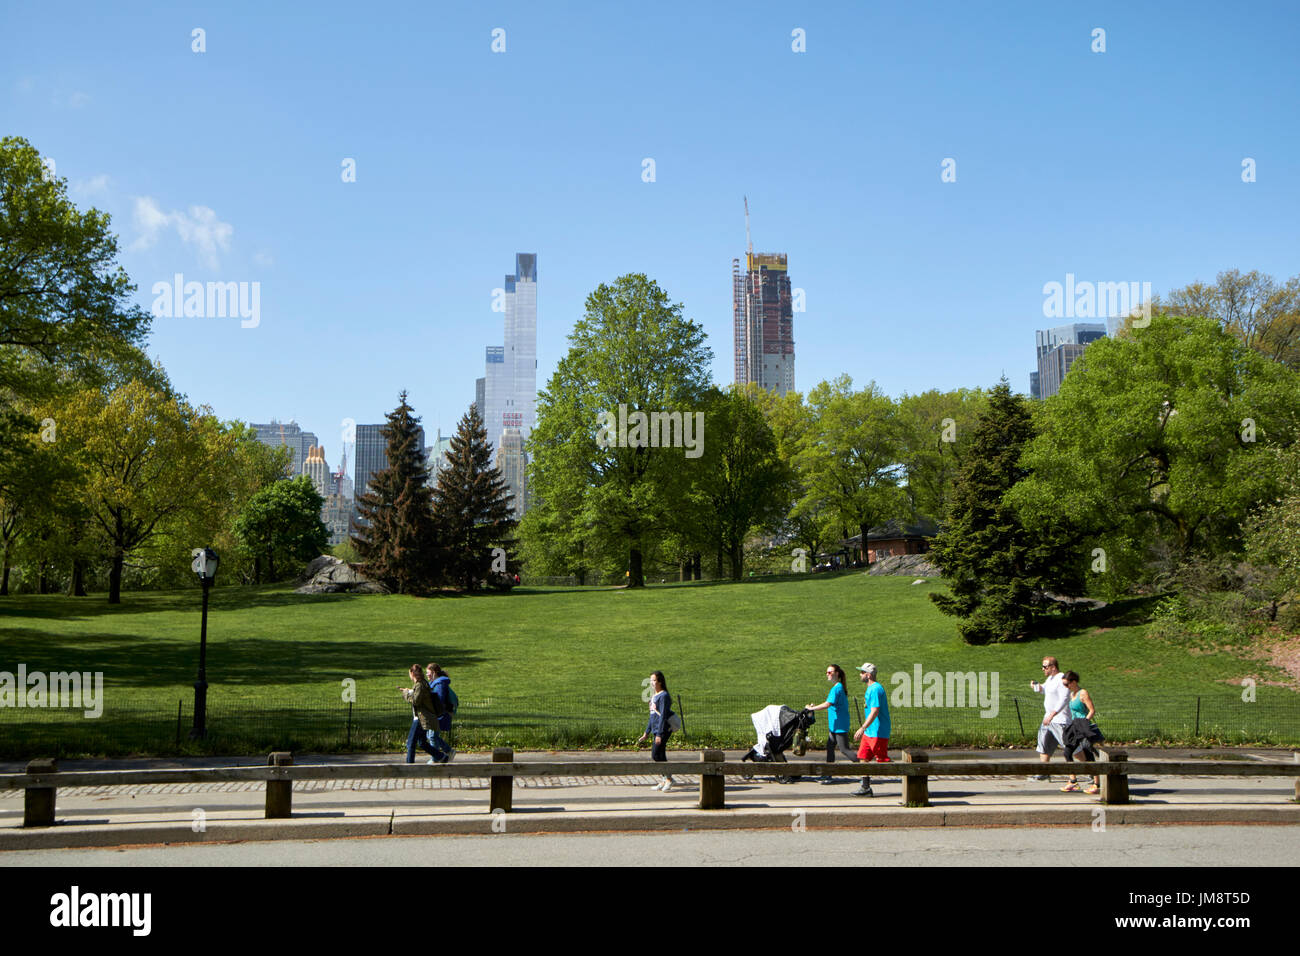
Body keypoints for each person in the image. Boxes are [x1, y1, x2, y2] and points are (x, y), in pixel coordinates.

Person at [808, 665, 857, 783]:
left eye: (830, 672)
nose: (827, 674)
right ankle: (828, 774)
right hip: (835, 726)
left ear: (837, 674)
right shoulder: (838, 687)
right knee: (830, 747)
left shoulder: (837, 688)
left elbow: (827, 704)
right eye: (827, 672)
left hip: (839, 725)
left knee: (844, 749)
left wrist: (812, 709)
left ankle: (865, 767)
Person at [851, 662, 891, 796]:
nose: (860, 674)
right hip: (870, 732)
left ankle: (913, 775)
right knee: (863, 757)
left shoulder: (875, 689)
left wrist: (862, 727)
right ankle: (865, 787)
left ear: (868, 675)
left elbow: (875, 711)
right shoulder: (871, 688)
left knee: (883, 762)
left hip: (877, 732)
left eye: (862, 672)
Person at [1029, 656, 1070, 780]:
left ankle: (1090, 772)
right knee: (1044, 745)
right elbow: (1044, 690)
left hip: (1059, 720)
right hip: (1048, 720)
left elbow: (1064, 698)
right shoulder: (1051, 679)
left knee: (1071, 748)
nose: (1043, 669)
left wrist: (1053, 714)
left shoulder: (1062, 679)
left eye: (1045, 667)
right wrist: (1036, 686)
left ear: (1053, 667)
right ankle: (1044, 771)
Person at [399, 664, 448, 764]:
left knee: (411, 743)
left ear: (412, 674)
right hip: (423, 717)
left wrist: (405, 694)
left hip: (421, 718)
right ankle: (441, 756)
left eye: (409, 673)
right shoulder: (422, 683)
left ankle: (409, 766)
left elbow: (416, 701)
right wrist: (409, 691)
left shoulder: (420, 685)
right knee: (422, 743)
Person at [1060, 671, 1099, 794]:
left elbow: (1092, 710)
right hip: (1074, 726)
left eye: (1067, 684)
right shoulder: (1073, 694)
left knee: (1088, 752)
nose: (1066, 687)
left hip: (1083, 725)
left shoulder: (1083, 693)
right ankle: (1073, 781)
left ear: (1074, 682)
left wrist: (1085, 722)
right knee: (1067, 752)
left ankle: (1096, 783)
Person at [636, 671, 675, 792]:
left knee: (656, 754)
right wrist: (646, 732)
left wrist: (659, 734)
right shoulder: (654, 696)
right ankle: (665, 779)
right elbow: (652, 716)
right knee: (659, 755)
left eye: (654, 680)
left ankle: (669, 779)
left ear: (660, 682)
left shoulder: (664, 696)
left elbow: (662, 716)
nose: (652, 683)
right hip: (656, 729)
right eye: (651, 680)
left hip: (663, 730)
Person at [425, 663, 456, 764]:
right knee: (431, 736)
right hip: (436, 713)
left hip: (439, 714)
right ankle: (448, 751)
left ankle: (436, 758)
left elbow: (439, 700)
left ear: (434, 672)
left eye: (428, 673)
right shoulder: (435, 683)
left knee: (432, 736)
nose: (427, 675)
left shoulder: (439, 684)